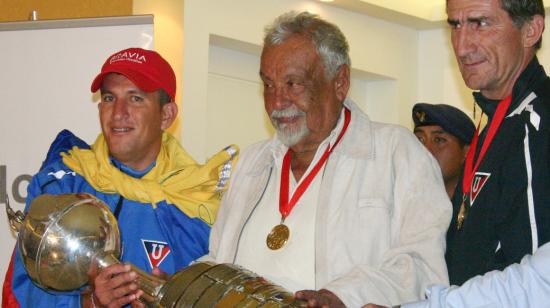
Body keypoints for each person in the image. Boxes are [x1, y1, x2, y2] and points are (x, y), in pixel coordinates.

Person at [203, 11, 451, 307]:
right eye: (268, 85)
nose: (277, 102)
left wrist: (344, 296)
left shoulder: (396, 154)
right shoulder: (252, 163)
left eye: (294, 84)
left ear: (340, 82)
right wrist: (179, 286)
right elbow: (219, 261)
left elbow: (423, 268)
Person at [2, 47, 238, 307]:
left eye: (135, 98)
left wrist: (178, 298)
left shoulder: (200, 205)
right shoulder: (62, 185)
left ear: (166, 115)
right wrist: (89, 303)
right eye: (109, 98)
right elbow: (20, 293)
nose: (117, 113)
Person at [443, 0, 550, 288]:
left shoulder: (537, 122)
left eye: (481, 23)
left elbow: (538, 287)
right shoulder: (500, 122)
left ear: (531, 30)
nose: (462, 47)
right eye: (455, 25)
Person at [412, 103, 475, 198]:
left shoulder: (482, 206)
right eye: (420, 140)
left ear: (467, 152)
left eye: (439, 140)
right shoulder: (408, 204)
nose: (425, 150)